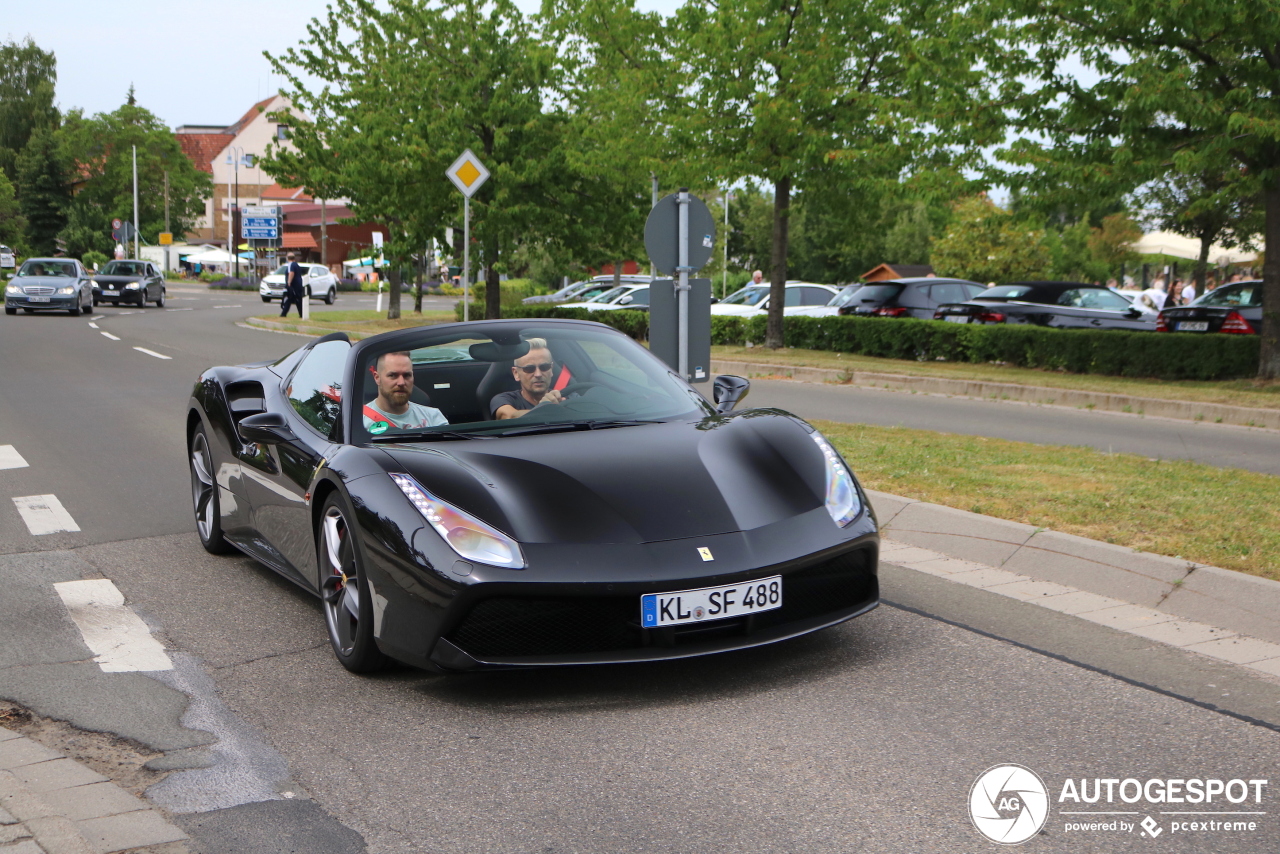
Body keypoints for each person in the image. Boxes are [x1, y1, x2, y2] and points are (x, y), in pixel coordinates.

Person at [363, 351, 448, 434]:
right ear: (377, 378)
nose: (401, 382)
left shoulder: (433, 417)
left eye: (407, 375)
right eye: (393, 375)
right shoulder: (359, 421)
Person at [492, 338, 569, 419]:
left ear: (551, 369)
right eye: (529, 369)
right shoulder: (504, 399)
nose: (538, 374)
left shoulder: (567, 397)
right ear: (516, 373)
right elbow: (510, 416)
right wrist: (543, 409)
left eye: (544, 367)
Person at [280, 252, 305, 318]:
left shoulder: (290, 265)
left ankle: (284, 314)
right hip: (298, 284)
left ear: (287, 258)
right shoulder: (296, 264)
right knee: (293, 299)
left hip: (293, 285)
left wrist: (289, 283)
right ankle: (284, 314)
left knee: (292, 299)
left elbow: (291, 273)